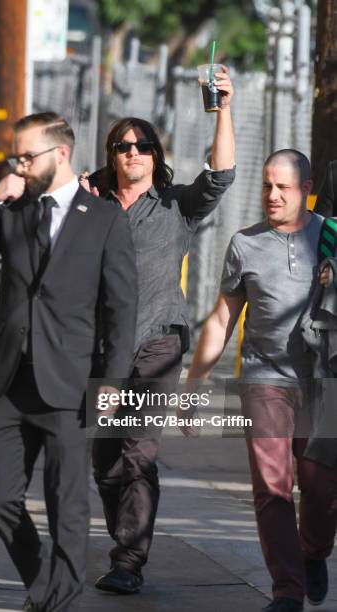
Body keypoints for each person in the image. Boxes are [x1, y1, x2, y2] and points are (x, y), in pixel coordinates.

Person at [0, 112, 137, 612]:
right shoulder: (12, 207)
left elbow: (121, 307)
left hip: (71, 381)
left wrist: (112, 379)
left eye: (28, 156)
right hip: (9, 378)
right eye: (16, 156)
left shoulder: (104, 219)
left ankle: (60, 598)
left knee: (66, 502)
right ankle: (42, 576)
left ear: (61, 154)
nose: (21, 165)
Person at [82, 66, 236, 594]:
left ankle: (128, 561)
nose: (133, 152)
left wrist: (223, 110)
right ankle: (123, 541)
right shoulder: (91, 206)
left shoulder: (175, 206)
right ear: (111, 154)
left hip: (159, 345)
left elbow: (221, 175)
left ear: (155, 155)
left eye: (143, 145)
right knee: (105, 460)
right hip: (102, 354)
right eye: (123, 146)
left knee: (138, 452)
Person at [184, 149, 337, 612]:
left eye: (283, 187)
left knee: (320, 488)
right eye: (267, 185)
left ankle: (314, 551)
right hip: (264, 379)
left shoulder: (330, 238)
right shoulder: (245, 244)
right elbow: (221, 319)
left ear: (306, 190)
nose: (272, 195)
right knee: (271, 487)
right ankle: (286, 590)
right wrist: (194, 384)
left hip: (320, 380)